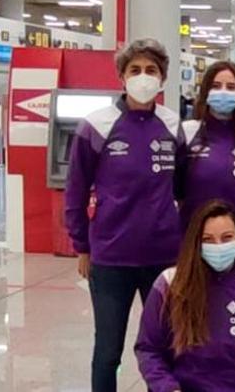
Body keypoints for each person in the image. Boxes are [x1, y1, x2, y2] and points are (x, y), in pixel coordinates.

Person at [65, 38, 184, 391]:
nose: (143, 77)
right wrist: (82, 246)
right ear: (121, 76)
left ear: (162, 79)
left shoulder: (174, 125)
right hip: (111, 258)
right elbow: (75, 190)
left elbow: (184, 189)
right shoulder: (96, 126)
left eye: (151, 71)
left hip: (163, 258)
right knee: (108, 350)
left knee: (165, 347)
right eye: (135, 70)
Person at [135, 201, 235, 391]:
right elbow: (148, 348)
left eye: (226, 238)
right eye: (208, 239)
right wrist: (167, 387)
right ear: (196, 242)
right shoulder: (169, 283)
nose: (218, 246)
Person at [180, 61, 235, 254]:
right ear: (205, 92)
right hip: (194, 244)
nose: (223, 92)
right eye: (216, 86)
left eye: (231, 87)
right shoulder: (187, 133)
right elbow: (176, 190)